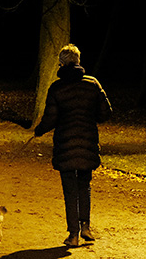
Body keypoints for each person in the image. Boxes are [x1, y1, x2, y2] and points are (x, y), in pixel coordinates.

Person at [34, 44, 112, 247]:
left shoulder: (57, 88)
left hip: (65, 144)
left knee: (70, 190)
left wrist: (39, 130)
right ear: (78, 61)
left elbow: (50, 117)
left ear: (61, 63)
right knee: (84, 186)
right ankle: (86, 226)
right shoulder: (92, 84)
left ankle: (73, 235)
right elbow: (106, 112)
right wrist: (90, 116)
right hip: (87, 142)